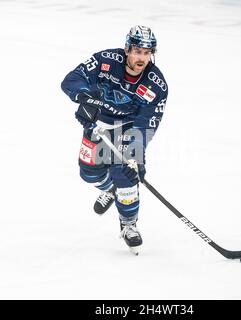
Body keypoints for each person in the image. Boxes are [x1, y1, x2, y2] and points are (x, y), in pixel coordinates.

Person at [61, 25, 168, 250]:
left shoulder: (156, 85)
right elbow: (71, 80)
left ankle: (129, 224)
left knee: (126, 175)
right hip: (99, 122)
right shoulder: (105, 60)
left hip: (128, 127)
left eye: (147, 53)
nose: (142, 58)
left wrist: (136, 154)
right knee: (89, 174)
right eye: (138, 51)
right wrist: (86, 99)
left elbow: (147, 123)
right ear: (127, 49)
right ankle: (111, 189)